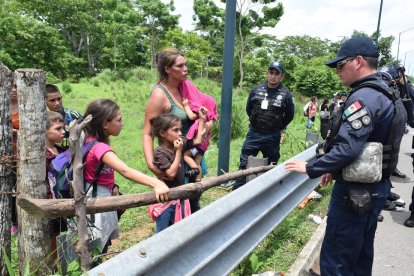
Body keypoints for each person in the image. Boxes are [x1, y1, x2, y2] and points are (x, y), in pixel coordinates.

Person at [285, 36, 406, 275]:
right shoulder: (386, 92)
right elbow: (365, 146)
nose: (337, 71)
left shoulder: (364, 98)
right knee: (360, 258)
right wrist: (333, 168)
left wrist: (312, 167)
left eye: (341, 65)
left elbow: (347, 149)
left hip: (355, 195)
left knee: (337, 262)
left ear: (358, 61)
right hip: (376, 189)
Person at [83, 99, 169, 252]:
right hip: (96, 200)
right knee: (96, 248)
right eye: (119, 120)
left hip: (97, 194)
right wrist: (156, 183)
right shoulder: (99, 147)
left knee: (98, 246)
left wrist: (113, 185)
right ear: (105, 124)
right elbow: (125, 171)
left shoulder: (88, 140)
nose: (122, 123)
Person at [143, 48, 206, 212]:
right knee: (174, 206)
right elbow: (148, 133)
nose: (185, 69)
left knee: (193, 201)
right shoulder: (159, 95)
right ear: (167, 69)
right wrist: (151, 164)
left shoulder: (185, 88)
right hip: (173, 160)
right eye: (180, 66)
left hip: (191, 154)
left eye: (186, 64)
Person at [233, 60, 294, 190]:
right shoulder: (256, 89)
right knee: (244, 164)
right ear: (267, 73)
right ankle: (236, 193)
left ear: (281, 76)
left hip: (272, 136)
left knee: (271, 166)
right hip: (254, 134)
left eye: (277, 73)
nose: (273, 76)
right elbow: (249, 109)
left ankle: (266, 193)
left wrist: (277, 127)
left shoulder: (286, 94)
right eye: (271, 72)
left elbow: (289, 115)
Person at [148, 112, 206, 232]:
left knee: (180, 229)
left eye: (180, 129)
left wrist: (201, 119)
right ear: (162, 133)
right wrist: (179, 152)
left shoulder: (180, 142)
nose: (180, 133)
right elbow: (171, 174)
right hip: (166, 200)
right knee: (162, 232)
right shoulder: (160, 152)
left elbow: (198, 140)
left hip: (180, 196)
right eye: (175, 130)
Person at [45, 111, 66, 266]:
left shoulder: (63, 151)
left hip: (62, 201)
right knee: (51, 237)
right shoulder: (41, 155)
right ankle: (53, 266)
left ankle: (59, 264)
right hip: (47, 202)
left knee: (60, 235)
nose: (63, 132)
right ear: (44, 131)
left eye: (63, 128)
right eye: (58, 129)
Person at [182, 94, 216, 182]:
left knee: (186, 155)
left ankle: (194, 172)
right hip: (202, 147)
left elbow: (191, 116)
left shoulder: (201, 118)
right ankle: (198, 180)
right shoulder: (209, 121)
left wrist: (185, 105)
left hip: (197, 146)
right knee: (197, 161)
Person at [10, 78, 18, 235]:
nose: (13, 89)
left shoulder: (26, 107)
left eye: (16, 86)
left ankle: (16, 221)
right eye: (10, 86)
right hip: (4, 156)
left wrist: (13, 132)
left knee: (18, 189)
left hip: (19, 156)